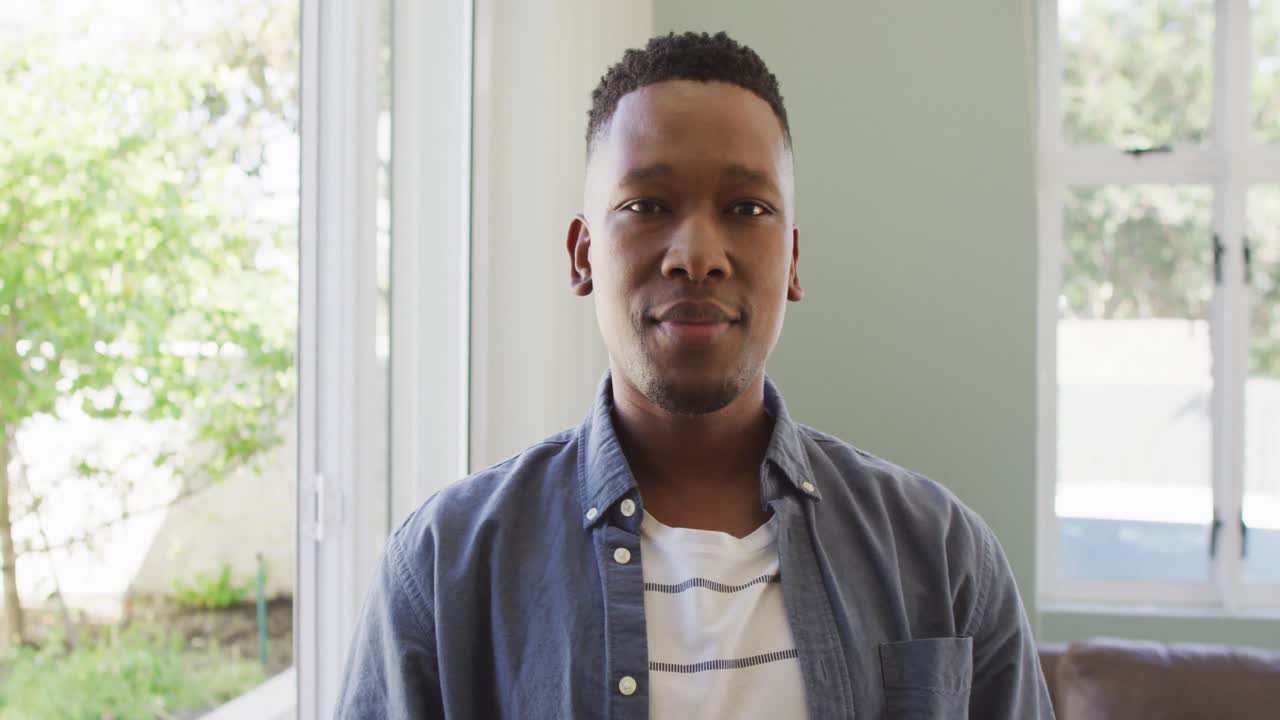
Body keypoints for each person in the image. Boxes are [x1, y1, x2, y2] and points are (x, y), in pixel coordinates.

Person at [335, 31, 1054, 719]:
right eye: (646, 206)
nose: (698, 256)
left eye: (747, 209)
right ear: (583, 256)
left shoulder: (941, 555)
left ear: (792, 260)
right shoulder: (445, 568)